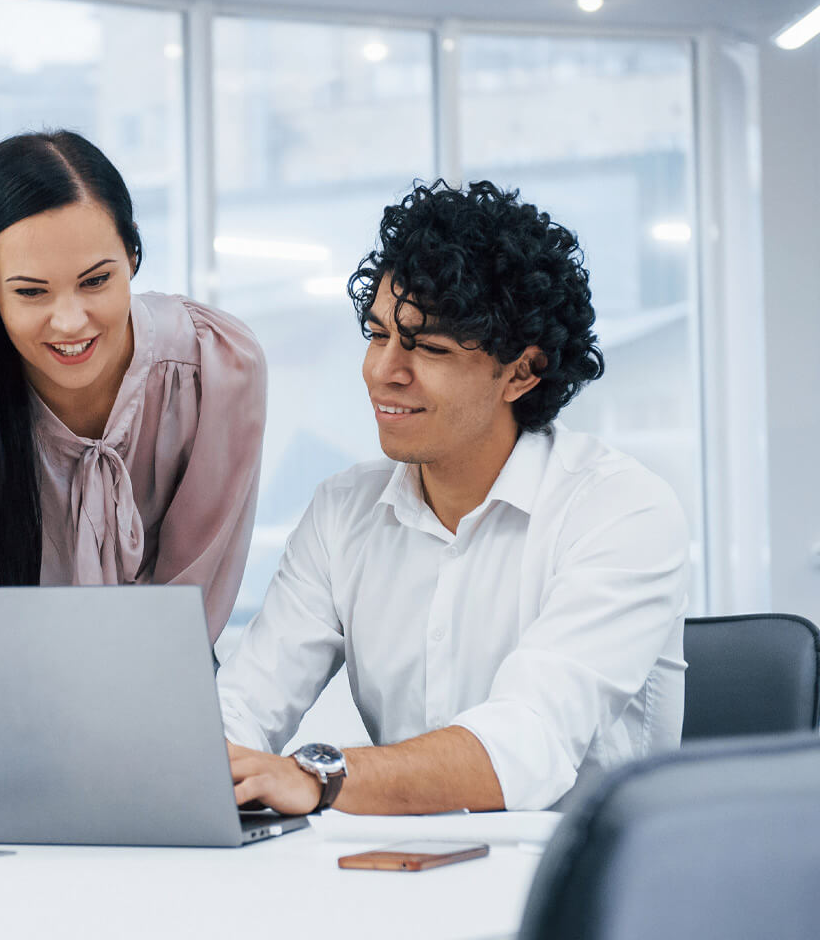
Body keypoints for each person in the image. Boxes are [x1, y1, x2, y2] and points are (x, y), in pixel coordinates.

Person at [217, 180, 689, 816]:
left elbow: (525, 745)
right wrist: (189, 770)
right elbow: (245, 705)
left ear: (522, 371)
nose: (383, 370)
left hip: (577, 890)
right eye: (377, 333)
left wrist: (317, 777)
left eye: (429, 348)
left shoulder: (621, 512)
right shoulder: (343, 511)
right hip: (398, 875)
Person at [0, 130, 266, 639]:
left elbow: (186, 614)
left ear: (133, 254)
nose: (71, 322)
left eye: (96, 280)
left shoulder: (216, 368)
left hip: (162, 680)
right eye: (32, 292)